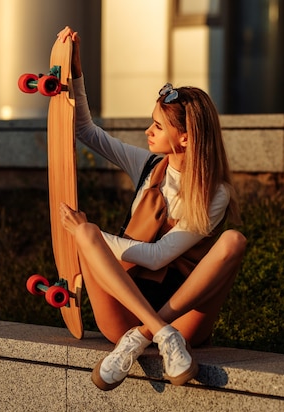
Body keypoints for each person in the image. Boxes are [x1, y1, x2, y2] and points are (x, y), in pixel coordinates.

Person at [56, 26, 247, 391]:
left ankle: (144, 336)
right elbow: (85, 130)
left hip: (184, 313)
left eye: (158, 126)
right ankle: (160, 334)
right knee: (85, 231)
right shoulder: (146, 166)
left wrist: (95, 239)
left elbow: (159, 258)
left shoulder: (214, 193)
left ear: (186, 138)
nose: (148, 131)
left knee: (233, 242)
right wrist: (75, 72)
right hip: (125, 304)